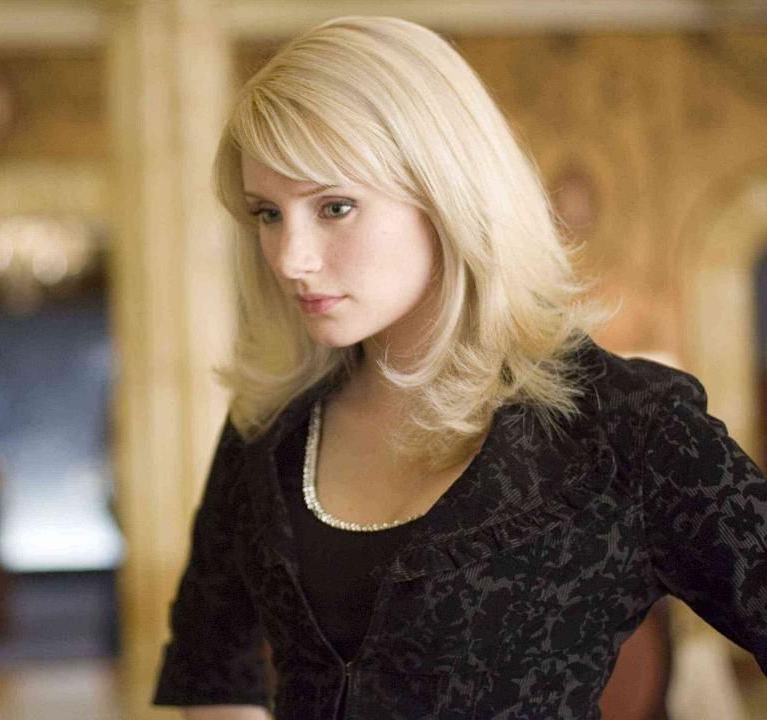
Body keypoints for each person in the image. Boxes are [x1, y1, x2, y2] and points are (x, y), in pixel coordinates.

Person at [151, 15, 767, 720]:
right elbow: (211, 668)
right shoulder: (269, 427)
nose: (292, 258)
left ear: (446, 194)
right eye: (268, 213)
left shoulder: (625, 426)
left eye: (335, 206)